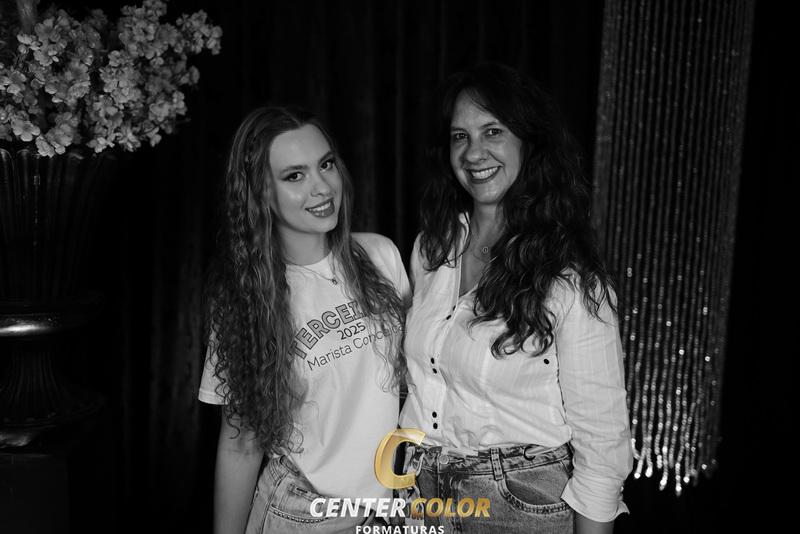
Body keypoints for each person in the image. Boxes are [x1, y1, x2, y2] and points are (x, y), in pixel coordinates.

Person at [399, 63, 633, 534]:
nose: (474, 152)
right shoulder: (432, 250)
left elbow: (602, 445)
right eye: (460, 136)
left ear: (529, 142)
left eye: (493, 131)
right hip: (418, 498)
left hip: (517, 504)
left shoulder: (570, 279)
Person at [199, 106, 409, 534]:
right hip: (302, 513)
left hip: (392, 512)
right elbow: (241, 444)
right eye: (294, 176)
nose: (322, 187)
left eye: (325, 165)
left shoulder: (380, 255)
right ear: (261, 193)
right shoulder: (248, 299)